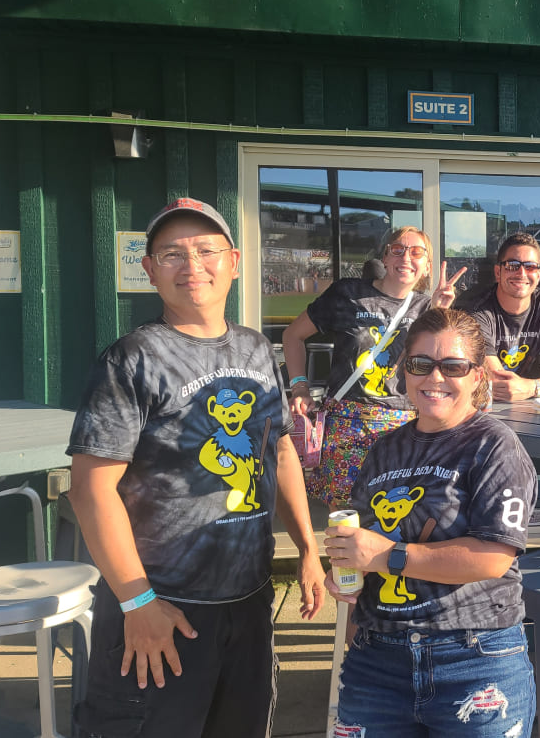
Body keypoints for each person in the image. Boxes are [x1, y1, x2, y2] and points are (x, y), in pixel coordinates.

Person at [67, 197, 326, 738]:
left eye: (206, 250)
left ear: (233, 261)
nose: (192, 266)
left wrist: (308, 549)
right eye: (172, 254)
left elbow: (277, 451)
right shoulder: (131, 359)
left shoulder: (257, 349)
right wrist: (137, 601)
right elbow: (91, 492)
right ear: (149, 270)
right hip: (162, 608)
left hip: (249, 604)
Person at [323, 307, 537, 737]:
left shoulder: (495, 446)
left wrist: (387, 556)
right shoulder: (384, 450)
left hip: (475, 657)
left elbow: (494, 557)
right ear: (405, 371)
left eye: (453, 366)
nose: (434, 378)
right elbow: (366, 544)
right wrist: (350, 570)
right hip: (377, 658)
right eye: (421, 364)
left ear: (477, 376)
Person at [282, 226, 464, 508]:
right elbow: (293, 335)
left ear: (427, 266)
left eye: (417, 252)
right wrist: (300, 387)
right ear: (385, 258)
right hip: (347, 423)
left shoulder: (428, 307)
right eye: (398, 250)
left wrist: (440, 313)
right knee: (346, 519)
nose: (406, 258)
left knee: (397, 515)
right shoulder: (347, 294)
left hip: (404, 426)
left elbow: (435, 367)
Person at [463, 232, 540, 401]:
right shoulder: (477, 311)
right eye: (512, 265)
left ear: (538, 275)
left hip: (532, 404)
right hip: (484, 406)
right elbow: (498, 381)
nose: (521, 273)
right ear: (498, 272)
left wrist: (532, 388)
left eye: (530, 266)